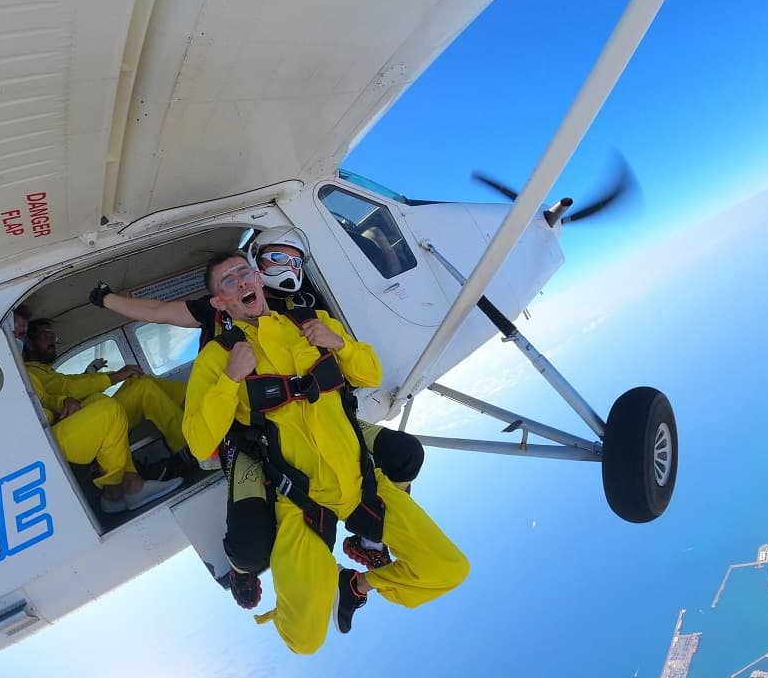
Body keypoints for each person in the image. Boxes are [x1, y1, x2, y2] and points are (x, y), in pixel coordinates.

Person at [89, 227, 424, 585]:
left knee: (406, 454)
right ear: (256, 263)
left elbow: (355, 368)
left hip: (323, 420)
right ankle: (241, 572)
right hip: (250, 431)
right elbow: (158, 311)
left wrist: (337, 347)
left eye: (293, 260)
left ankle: (371, 536)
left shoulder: (306, 311)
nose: (285, 267)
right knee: (249, 550)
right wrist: (105, 299)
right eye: (275, 257)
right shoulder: (221, 307)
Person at [182, 251, 468, 653]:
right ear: (219, 302)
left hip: (364, 484)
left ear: (260, 281)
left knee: (449, 568)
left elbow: (369, 374)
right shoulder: (217, 357)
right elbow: (198, 441)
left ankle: (354, 584)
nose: (243, 282)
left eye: (245, 273)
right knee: (305, 641)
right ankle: (301, 587)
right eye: (229, 281)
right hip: (301, 504)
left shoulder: (310, 323)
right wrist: (230, 379)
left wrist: (337, 343)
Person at [24, 319, 188, 511]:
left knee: (140, 383)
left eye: (53, 336)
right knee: (120, 399)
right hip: (68, 434)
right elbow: (70, 388)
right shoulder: (29, 373)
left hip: (78, 424)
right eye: (45, 335)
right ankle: (190, 448)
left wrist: (114, 375)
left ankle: (190, 399)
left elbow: (73, 382)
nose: (51, 340)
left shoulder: (46, 372)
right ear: (28, 342)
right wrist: (114, 377)